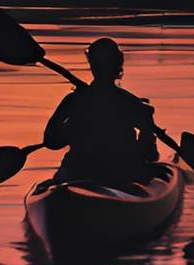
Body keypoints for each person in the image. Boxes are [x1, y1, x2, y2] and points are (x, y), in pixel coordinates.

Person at [43, 38, 160, 184]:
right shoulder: (132, 104)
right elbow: (150, 155)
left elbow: (51, 142)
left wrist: (75, 128)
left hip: (79, 171)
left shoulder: (73, 101)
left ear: (91, 65)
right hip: (121, 172)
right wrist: (147, 130)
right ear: (118, 65)